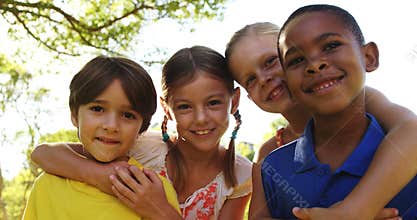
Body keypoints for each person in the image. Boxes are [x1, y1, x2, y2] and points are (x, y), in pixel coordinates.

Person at [31, 46, 252, 219]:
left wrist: (160, 211)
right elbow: (44, 154)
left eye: (213, 103)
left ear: (234, 102)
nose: (201, 118)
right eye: (185, 106)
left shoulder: (240, 175)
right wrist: (103, 176)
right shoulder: (141, 145)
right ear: (167, 109)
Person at [226, 21, 417, 219]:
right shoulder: (270, 153)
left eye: (270, 61)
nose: (263, 78)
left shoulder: (361, 100)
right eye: (250, 79)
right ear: (249, 96)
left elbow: (412, 130)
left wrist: (356, 210)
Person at [22, 56, 181, 220]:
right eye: (97, 109)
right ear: (74, 115)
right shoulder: (47, 186)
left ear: (142, 127)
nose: (111, 126)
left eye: (128, 115)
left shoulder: (154, 191)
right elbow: (42, 152)